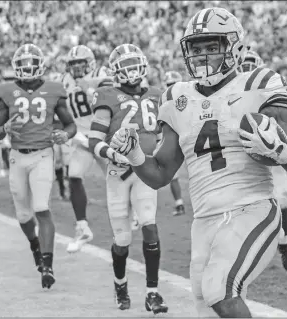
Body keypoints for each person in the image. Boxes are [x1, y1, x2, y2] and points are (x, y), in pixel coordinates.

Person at [110, 8, 287, 318]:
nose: (203, 55)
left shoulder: (258, 84)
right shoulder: (177, 98)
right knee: (205, 306)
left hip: (252, 207)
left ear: (234, 47)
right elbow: (160, 174)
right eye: (197, 48)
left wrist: (278, 150)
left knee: (221, 290)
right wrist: (134, 152)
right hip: (204, 221)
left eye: (212, 47)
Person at [88, 44, 168, 314]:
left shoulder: (157, 95)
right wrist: (113, 154)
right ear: (116, 71)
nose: (132, 71)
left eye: (135, 64)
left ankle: (152, 293)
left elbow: (162, 134)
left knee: (149, 226)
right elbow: (94, 140)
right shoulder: (107, 95)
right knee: (122, 240)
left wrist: (161, 151)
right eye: (126, 66)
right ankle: (120, 284)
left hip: (144, 169)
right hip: (118, 173)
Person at [0, 43, 77, 289]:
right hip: (18, 156)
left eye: (31, 64)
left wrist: (65, 135)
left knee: (41, 207)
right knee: (23, 215)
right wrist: (4, 129)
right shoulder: (7, 91)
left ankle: (48, 266)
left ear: (40, 66)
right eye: (23, 65)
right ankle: (35, 247)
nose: (27, 69)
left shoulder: (54, 90)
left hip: (42, 154)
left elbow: (70, 125)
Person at [238, 50, 287, 273]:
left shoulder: (270, 89)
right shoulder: (229, 93)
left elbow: (286, 121)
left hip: (270, 152)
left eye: (251, 65)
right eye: (244, 65)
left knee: (283, 198)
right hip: (242, 157)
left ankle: (284, 244)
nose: (247, 70)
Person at [63, 45, 112, 253]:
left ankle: (136, 214)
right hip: (82, 138)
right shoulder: (65, 81)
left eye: (80, 63)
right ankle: (82, 227)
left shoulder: (101, 74)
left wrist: (88, 88)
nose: (76, 68)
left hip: (102, 136)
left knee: (118, 177)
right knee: (73, 176)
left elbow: (110, 97)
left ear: (89, 63)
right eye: (73, 64)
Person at [163, 71, 186, 216]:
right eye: (169, 85)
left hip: (187, 139)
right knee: (174, 175)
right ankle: (179, 204)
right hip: (176, 140)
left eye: (174, 84)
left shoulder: (165, 100)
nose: (172, 88)